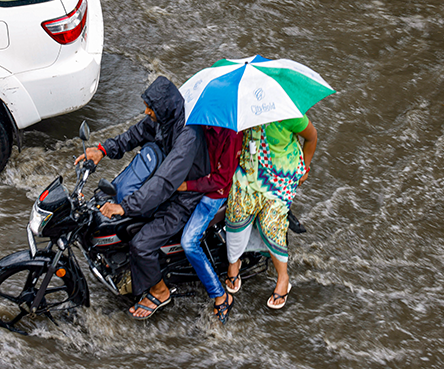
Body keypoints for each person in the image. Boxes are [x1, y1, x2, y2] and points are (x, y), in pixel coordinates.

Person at [75, 76, 209, 319]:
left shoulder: (187, 136)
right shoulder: (163, 119)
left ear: (165, 107)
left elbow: (165, 182)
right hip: (165, 182)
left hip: (183, 197)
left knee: (141, 243)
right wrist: (103, 149)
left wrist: (125, 207)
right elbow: (135, 134)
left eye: (151, 108)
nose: (147, 112)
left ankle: (160, 292)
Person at [224, 114, 317, 309]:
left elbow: (311, 137)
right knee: (236, 210)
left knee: (270, 224)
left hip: (280, 177)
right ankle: (235, 261)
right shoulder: (245, 111)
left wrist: (306, 167)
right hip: (250, 169)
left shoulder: (291, 115)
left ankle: (283, 278)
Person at [178, 126, 243, 324]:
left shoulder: (231, 135)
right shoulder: (197, 126)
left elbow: (221, 179)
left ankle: (220, 295)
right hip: (195, 181)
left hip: (214, 192)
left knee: (188, 242)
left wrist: (187, 185)